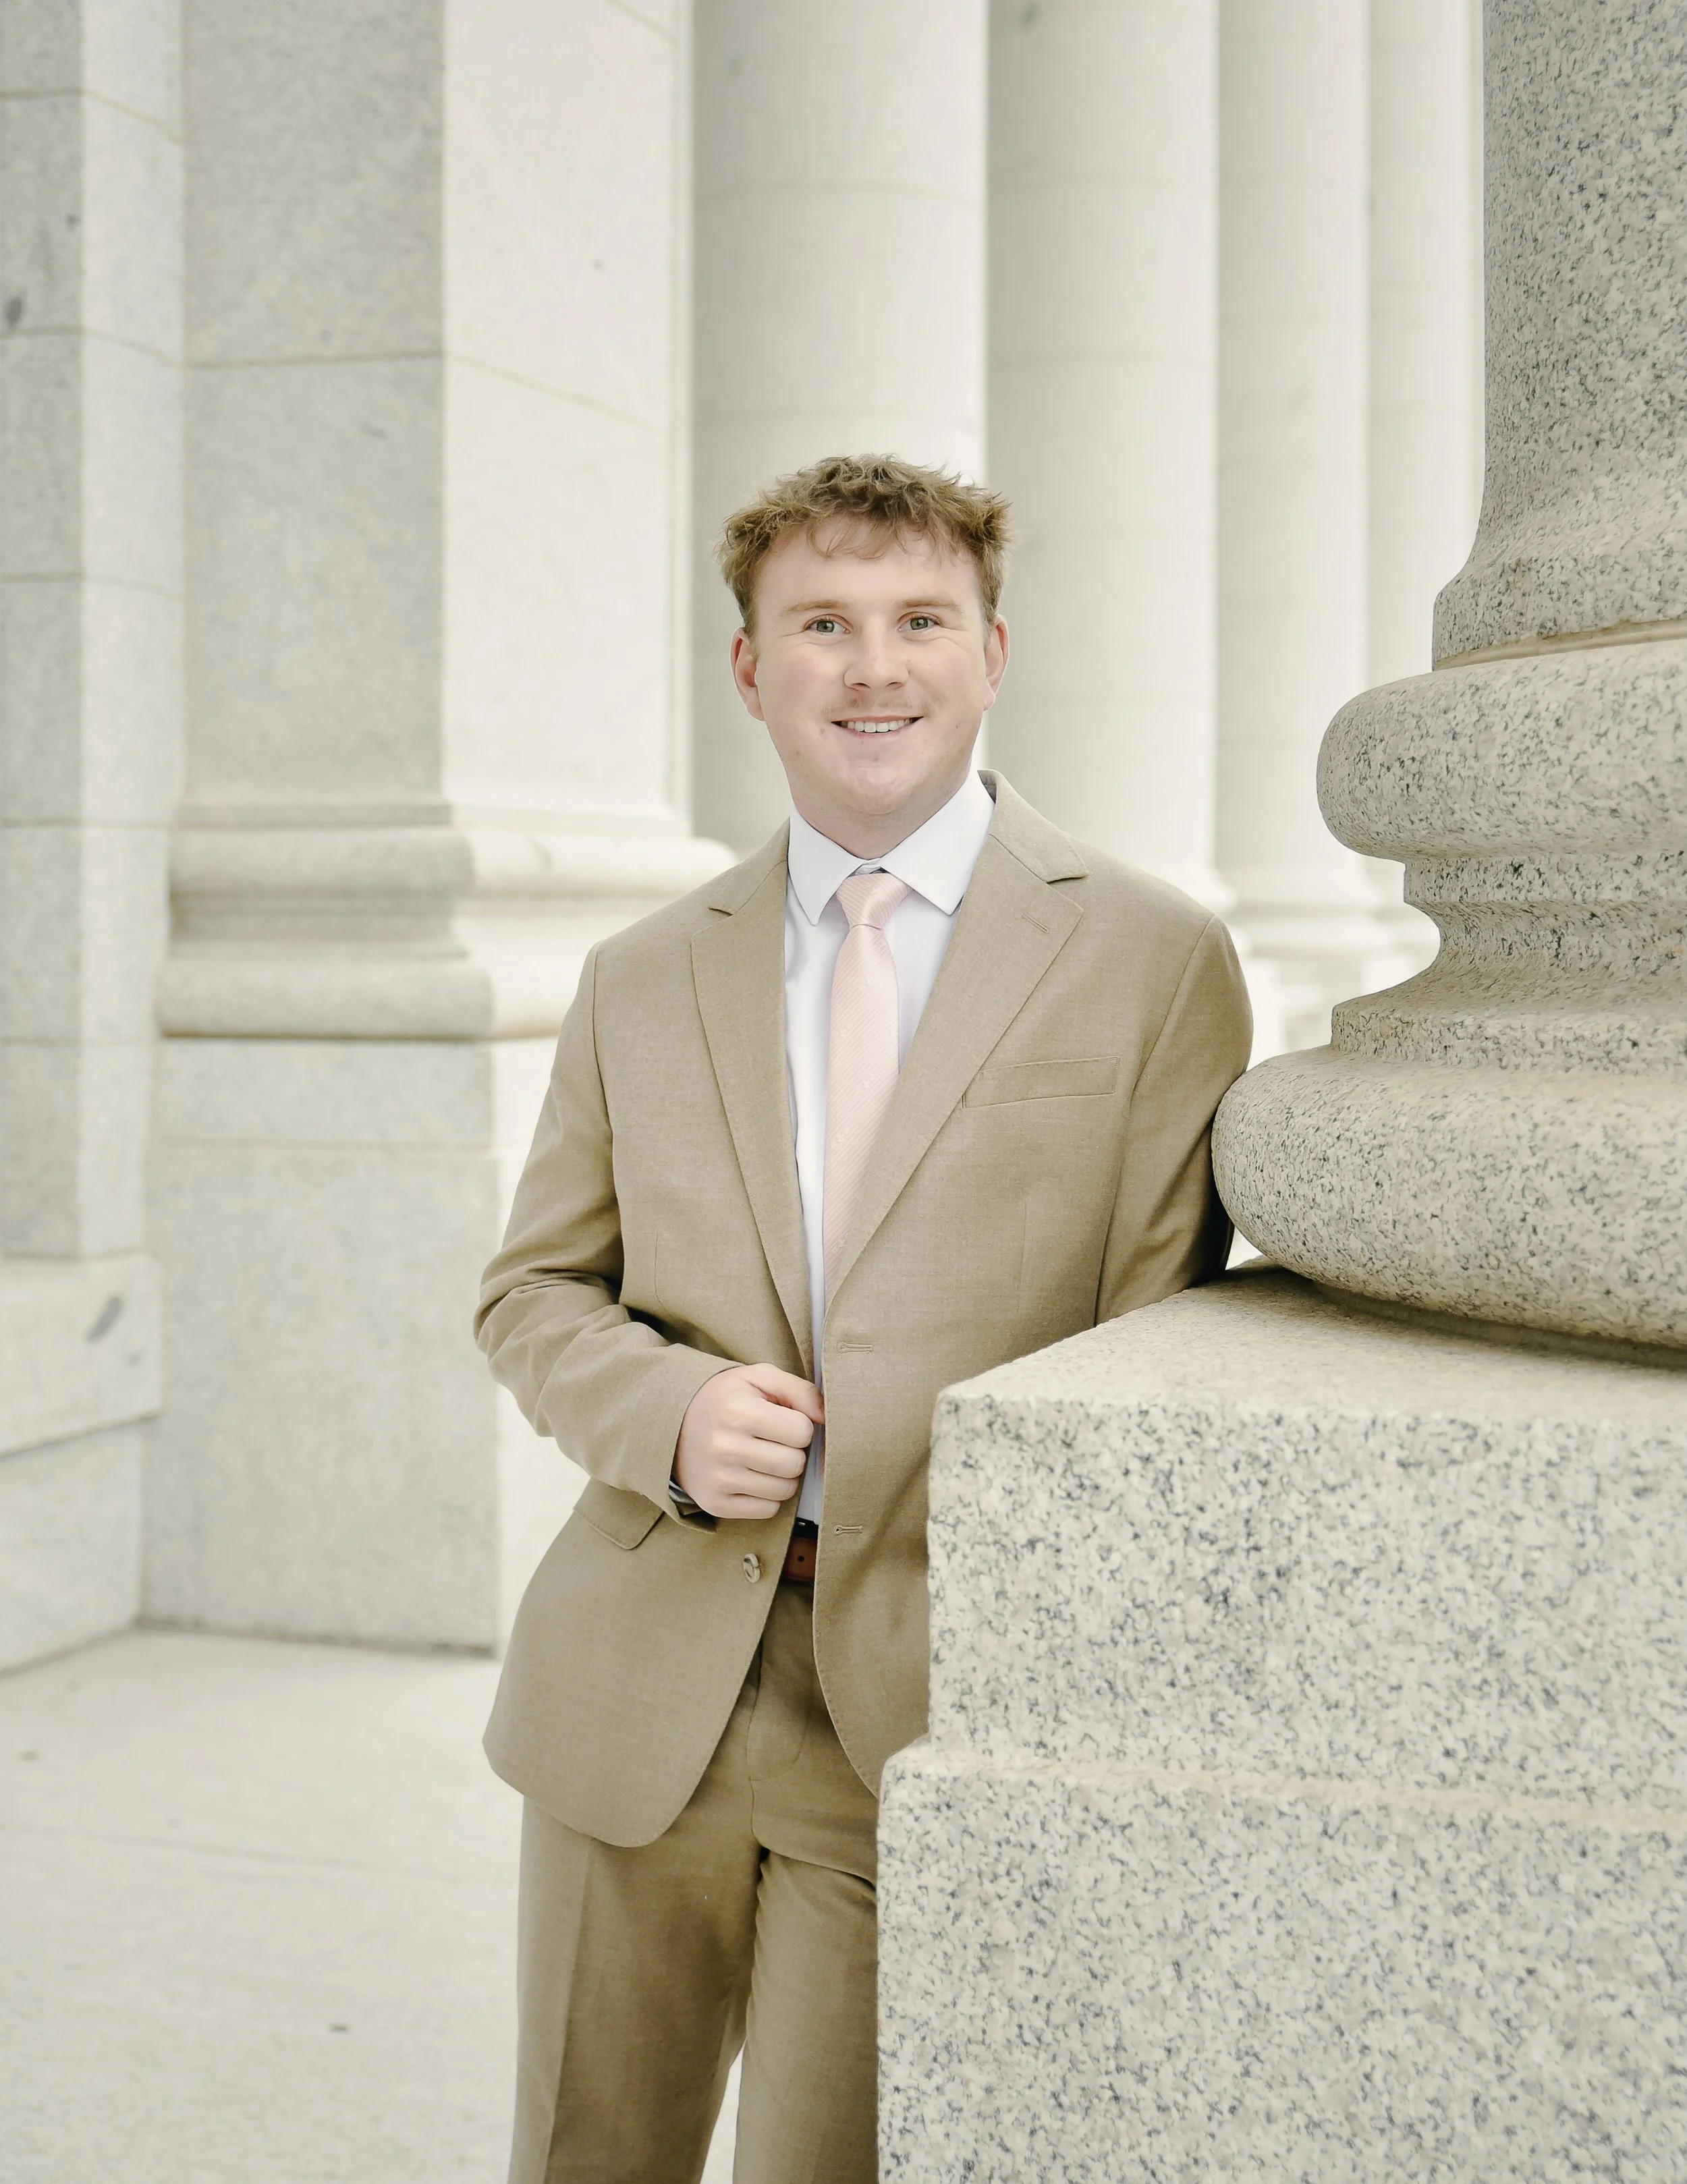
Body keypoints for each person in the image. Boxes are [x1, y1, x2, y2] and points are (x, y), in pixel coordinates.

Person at [476, 453, 1252, 2183]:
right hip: (639, 1687)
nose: (873, 667)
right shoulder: (642, 971)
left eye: (917, 621)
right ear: (749, 669)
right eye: (819, 624)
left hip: (918, 1704)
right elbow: (532, 1292)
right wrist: (662, 1413)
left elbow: (1153, 1349)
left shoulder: (1149, 958)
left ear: (993, 650)